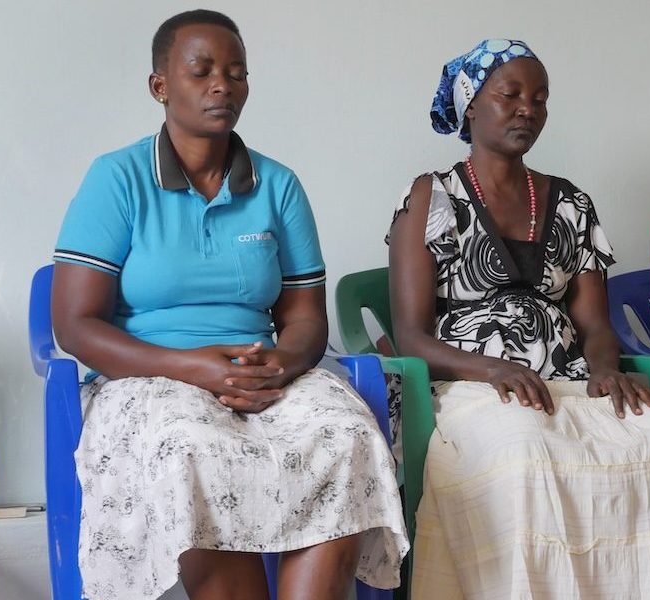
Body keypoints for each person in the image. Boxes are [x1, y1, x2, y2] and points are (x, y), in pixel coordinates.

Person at [50, 10, 407, 600]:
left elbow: (305, 318)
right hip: (147, 376)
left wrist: (282, 364)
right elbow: (75, 324)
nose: (223, 84)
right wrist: (193, 367)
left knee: (346, 434)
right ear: (160, 86)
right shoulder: (116, 179)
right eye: (202, 71)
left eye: (236, 72)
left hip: (261, 373)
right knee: (193, 447)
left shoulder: (279, 185)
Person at [386, 39, 650, 598]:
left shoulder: (571, 202)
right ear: (471, 103)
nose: (529, 108)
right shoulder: (433, 196)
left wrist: (604, 369)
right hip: (470, 385)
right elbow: (410, 334)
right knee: (525, 449)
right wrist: (492, 371)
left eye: (541, 98)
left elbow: (596, 325)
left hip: (569, 380)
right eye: (511, 94)